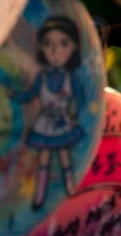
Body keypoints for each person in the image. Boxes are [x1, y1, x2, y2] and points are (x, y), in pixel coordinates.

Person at [14, 16, 85, 210]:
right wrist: (15, 96)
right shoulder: (42, 77)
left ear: (74, 47)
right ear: (40, 47)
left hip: (63, 122)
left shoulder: (70, 78)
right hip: (44, 123)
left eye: (63, 44)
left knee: (64, 156)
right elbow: (31, 94)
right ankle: (40, 195)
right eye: (47, 44)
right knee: (43, 158)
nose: (54, 51)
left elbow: (80, 99)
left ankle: (70, 189)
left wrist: (75, 116)